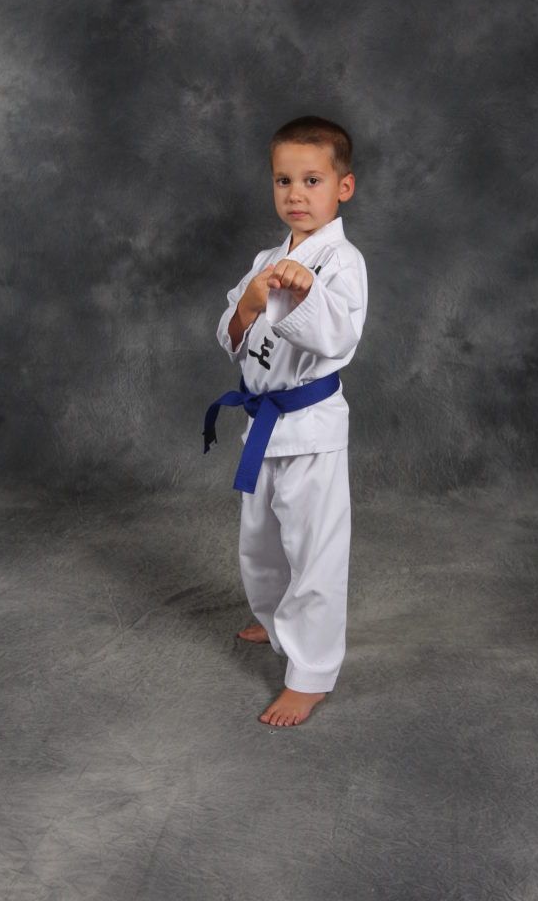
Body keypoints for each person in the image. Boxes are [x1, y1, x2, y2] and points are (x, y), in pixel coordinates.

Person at [203, 115, 368, 727]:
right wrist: (249, 302)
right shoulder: (268, 256)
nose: (295, 194)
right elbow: (235, 338)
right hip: (263, 425)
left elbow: (337, 336)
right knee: (261, 541)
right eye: (283, 181)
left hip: (312, 426)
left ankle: (312, 672)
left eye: (311, 180)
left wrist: (302, 293)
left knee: (315, 550)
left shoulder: (342, 263)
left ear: (341, 188)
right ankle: (274, 618)